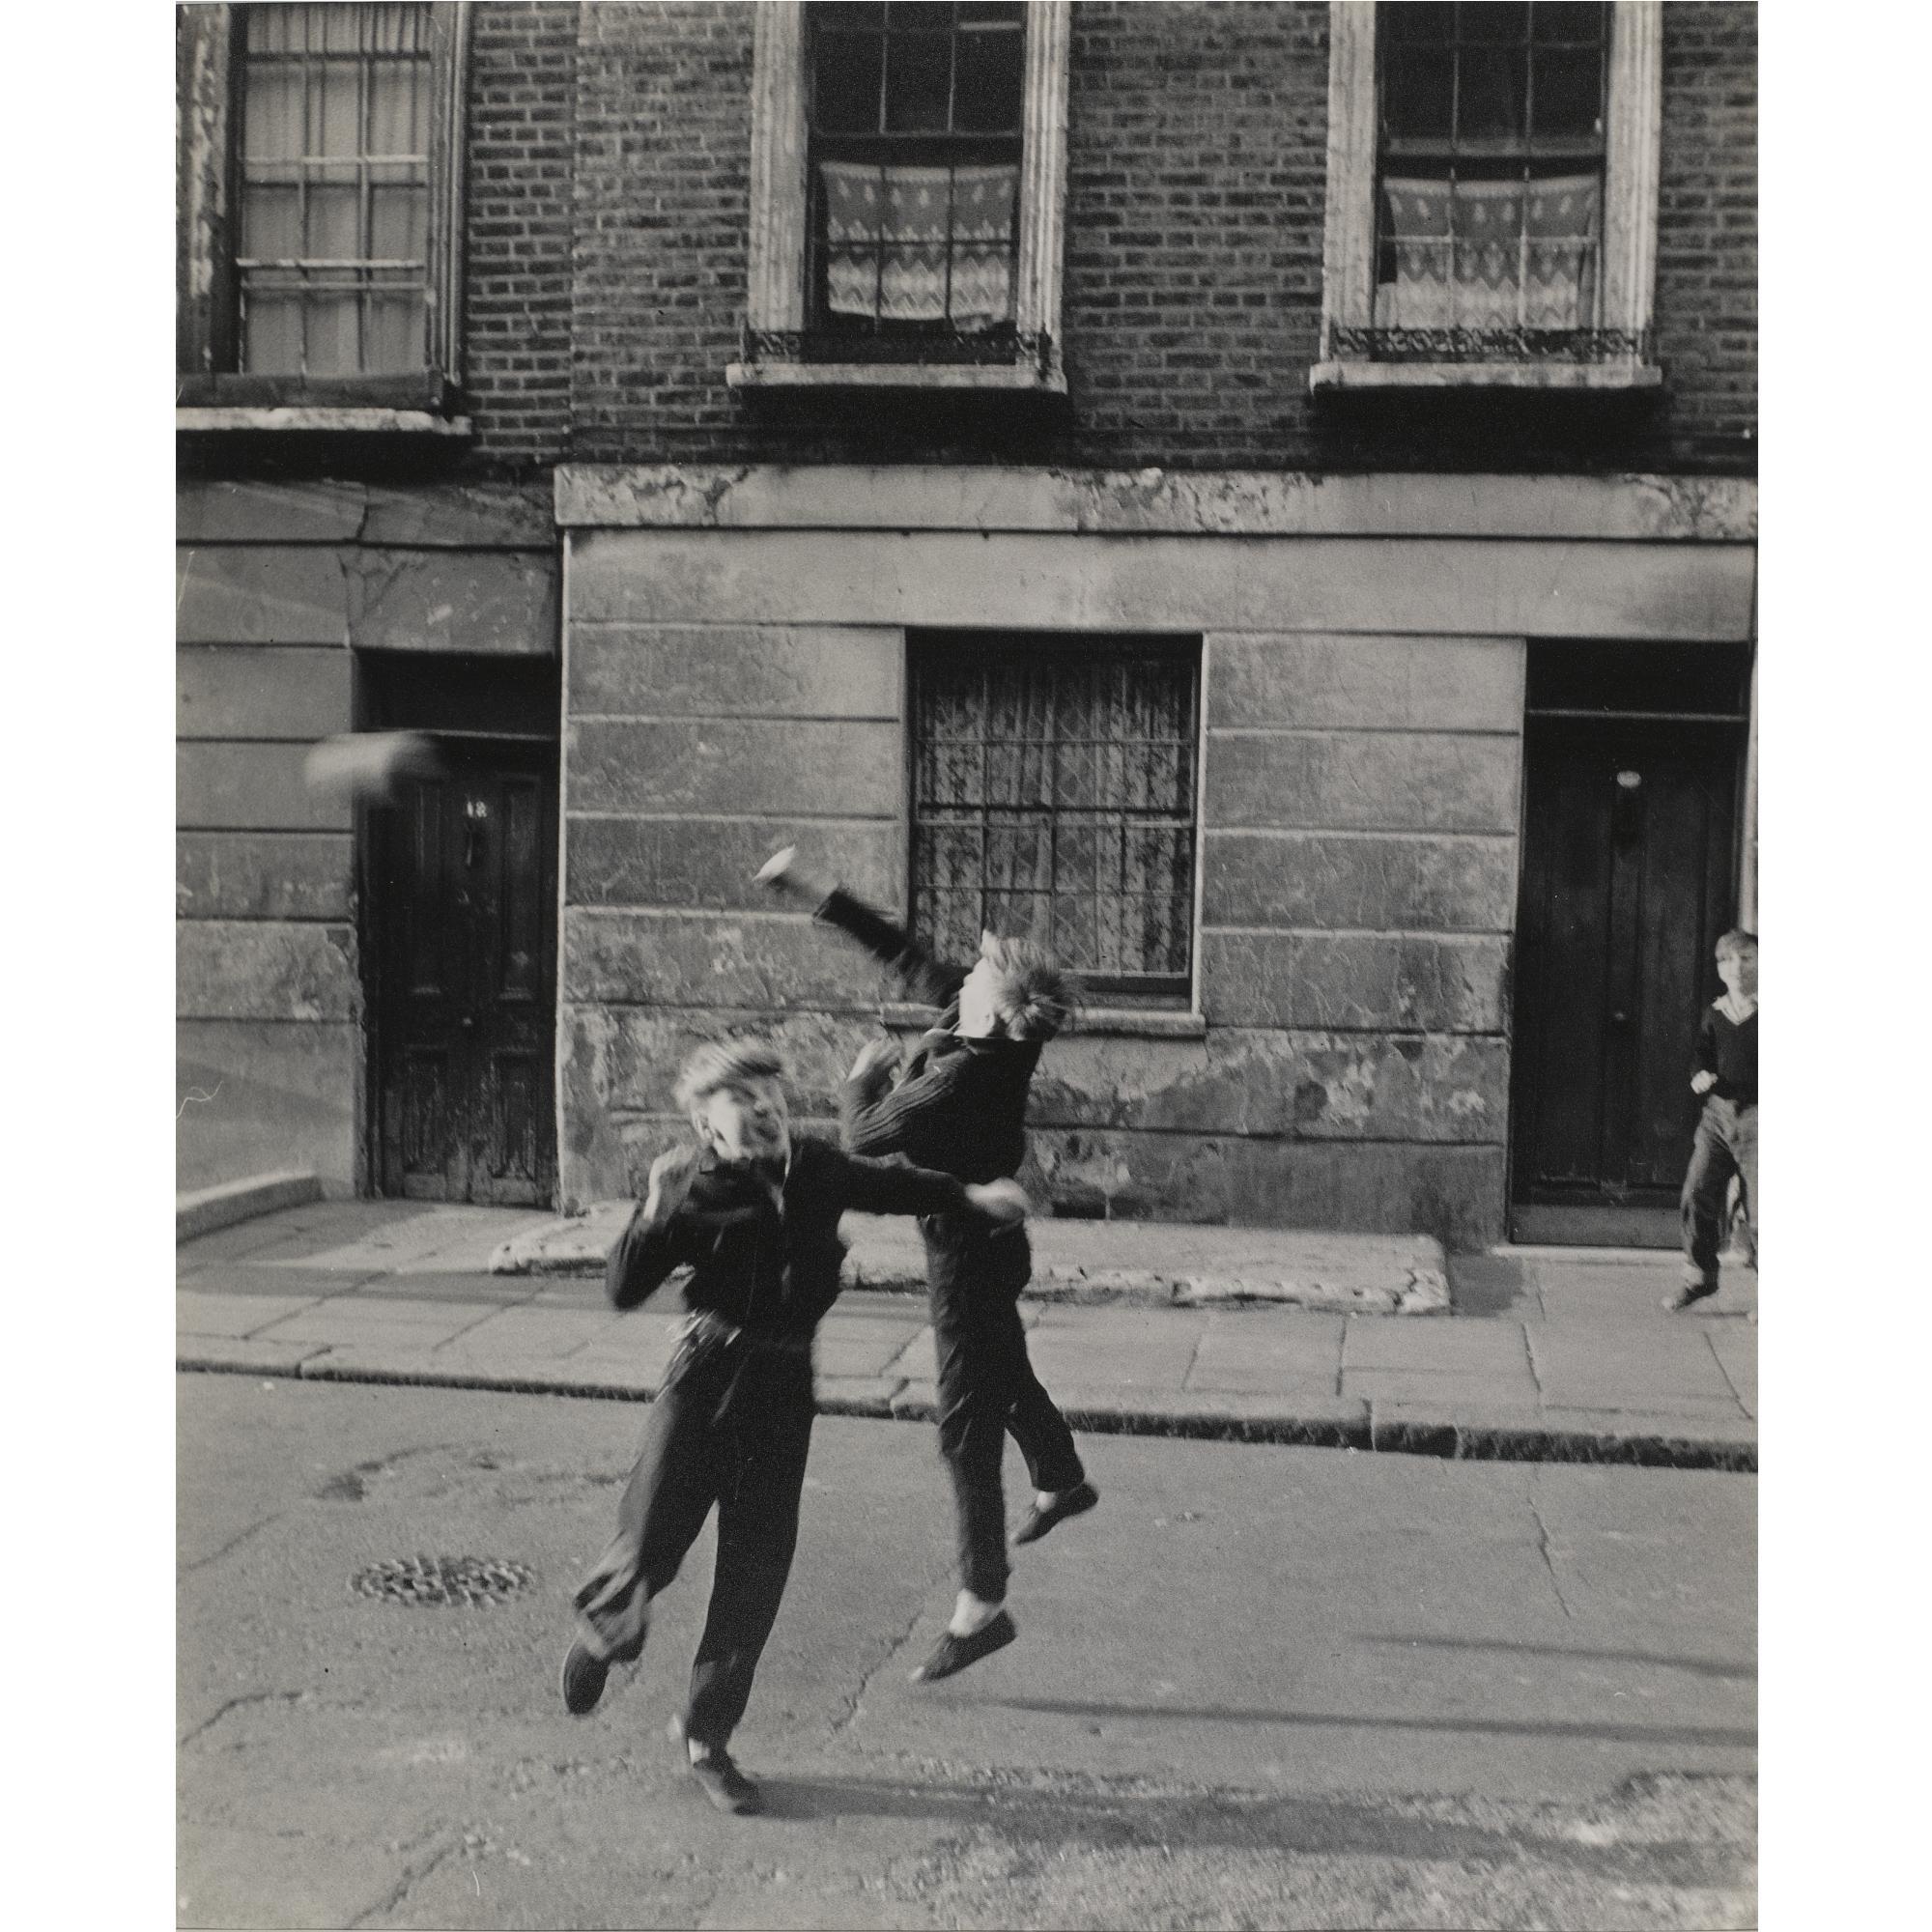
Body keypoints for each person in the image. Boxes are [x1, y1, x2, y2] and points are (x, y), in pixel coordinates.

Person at [559, 1038, 1030, 1814]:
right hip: (703, 1382)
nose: (765, 1111)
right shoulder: (691, 1188)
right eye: (742, 1102)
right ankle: (604, 1635)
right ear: (707, 1127)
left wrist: (971, 1198)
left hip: (783, 1391)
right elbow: (622, 1287)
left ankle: (707, 1738)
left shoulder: (816, 1168)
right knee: (650, 1541)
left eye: (772, 1098)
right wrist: (653, 1211)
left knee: (757, 1569)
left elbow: (894, 1185)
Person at [755, 846, 1097, 1686]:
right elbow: (906, 955)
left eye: (978, 970)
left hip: (967, 1255)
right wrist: (817, 891)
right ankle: (1061, 1477)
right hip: (995, 1246)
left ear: (995, 1012)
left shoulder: (957, 1081)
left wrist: (858, 1080)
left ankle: (982, 1604)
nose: (963, 970)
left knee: (962, 1428)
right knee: (1000, 1365)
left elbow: (864, 1139)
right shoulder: (982, 1023)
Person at [1669, 928, 1757, 1312]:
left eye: (1747, 958)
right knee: (1698, 1190)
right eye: (1727, 960)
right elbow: (1701, 1056)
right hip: (1718, 1117)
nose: (1737, 967)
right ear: (1720, 969)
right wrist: (1699, 1075)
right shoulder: (1716, 1013)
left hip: (1760, 1118)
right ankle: (1700, 1276)